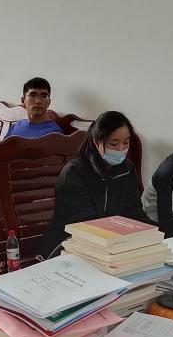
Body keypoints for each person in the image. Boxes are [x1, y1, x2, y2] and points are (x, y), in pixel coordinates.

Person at [40, 110, 149, 259]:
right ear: (97, 142)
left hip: (111, 245)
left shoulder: (127, 169)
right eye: (114, 143)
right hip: (69, 245)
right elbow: (85, 225)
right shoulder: (74, 173)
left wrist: (153, 236)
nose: (121, 149)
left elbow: (134, 213)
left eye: (126, 142)